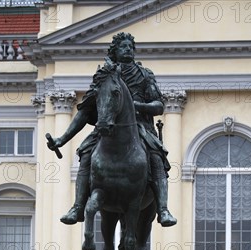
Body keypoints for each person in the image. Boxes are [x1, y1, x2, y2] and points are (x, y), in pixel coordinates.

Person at [47, 32, 177, 228]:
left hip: (140, 126)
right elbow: (85, 111)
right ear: (114, 51)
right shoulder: (103, 77)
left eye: (130, 47)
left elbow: (158, 106)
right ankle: (78, 206)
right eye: (123, 47)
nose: (128, 50)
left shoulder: (145, 75)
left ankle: (163, 209)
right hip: (107, 126)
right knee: (85, 153)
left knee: (156, 155)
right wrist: (62, 139)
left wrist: (136, 106)